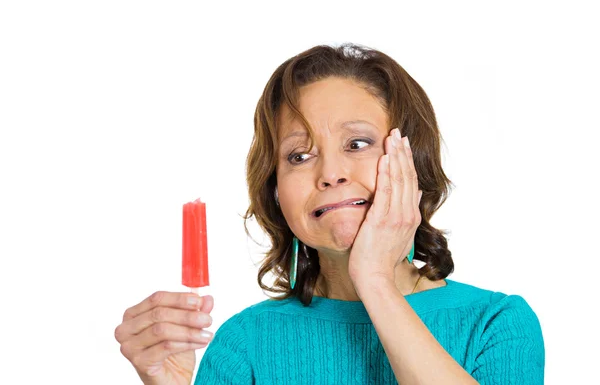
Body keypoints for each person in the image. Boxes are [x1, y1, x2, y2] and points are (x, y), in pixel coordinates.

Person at [115, 43, 545, 384]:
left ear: (415, 163)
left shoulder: (496, 324)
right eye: (299, 156)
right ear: (276, 193)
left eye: (357, 144)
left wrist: (374, 280)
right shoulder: (244, 343)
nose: (330, 173)